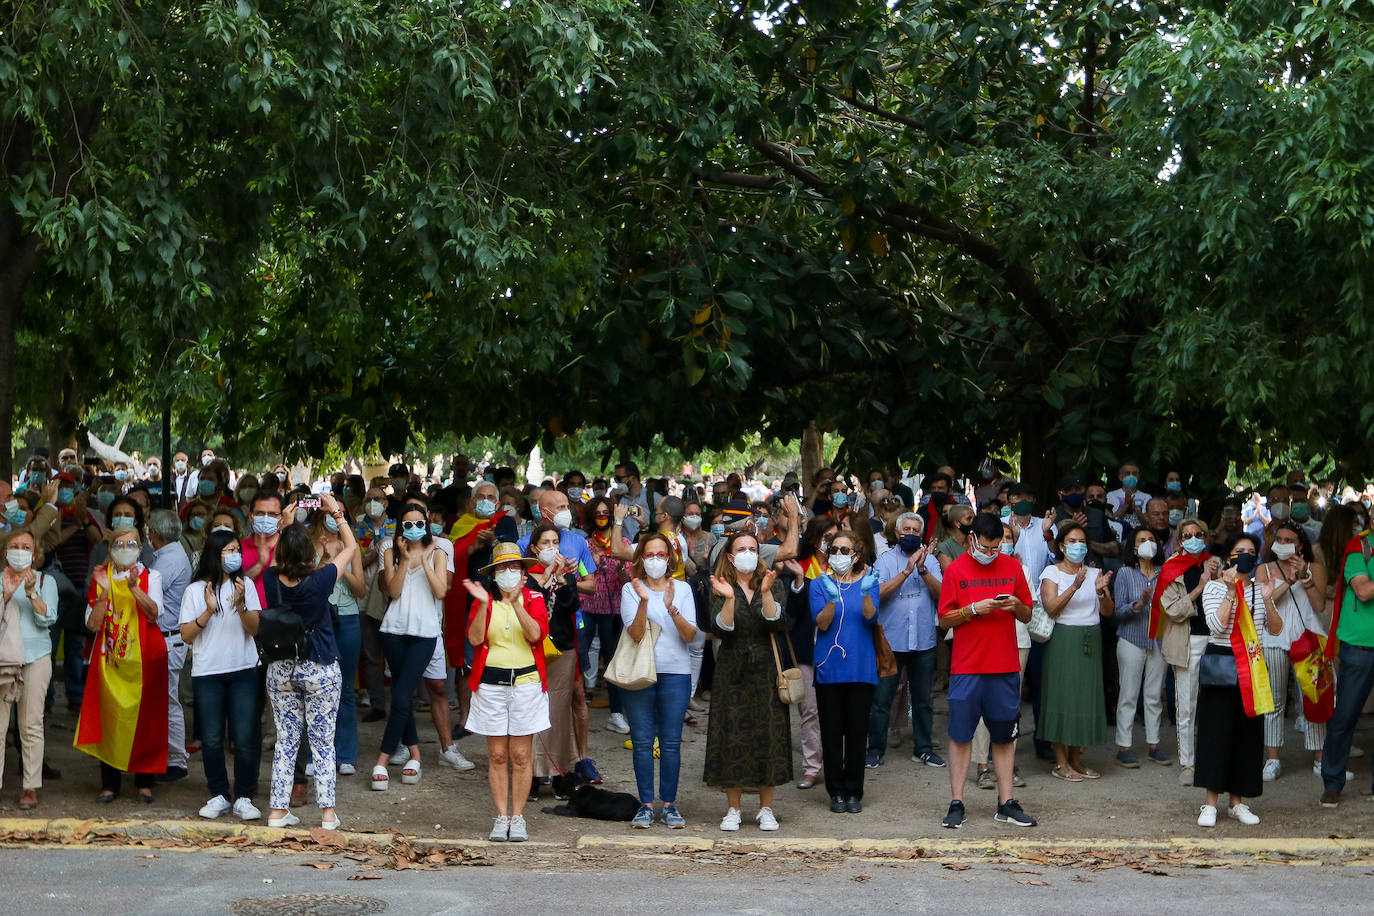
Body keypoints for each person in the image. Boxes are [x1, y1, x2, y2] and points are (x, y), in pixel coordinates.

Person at [936, 512, 1036, 829]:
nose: (993, 553)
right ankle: (957, 802)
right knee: (961, 735)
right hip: (967, 667)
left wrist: (1014, 606)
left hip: (1005, 666)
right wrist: (970, 610)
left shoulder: (1012, 567)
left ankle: (1005, 802)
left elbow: (1027, 613)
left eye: (997, 548)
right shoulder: (955, 571)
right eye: (987, 547)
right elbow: (944, 619)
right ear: (972, 540)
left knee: (1005, 737)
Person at [263, 492, 356, 830]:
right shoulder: (320, 580)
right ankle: (328, 813)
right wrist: (337, 514)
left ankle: (277, 810)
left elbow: (276, 557)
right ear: (309, 554)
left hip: (281, 667)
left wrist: (284, 528)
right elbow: (350, 549)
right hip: (320, 666)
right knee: (322, 739)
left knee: (286, 739)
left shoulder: (273, 580)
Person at [463, 543, 551, 842]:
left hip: (526, 684)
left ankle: (518, 816)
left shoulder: (534, 598)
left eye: (514, 567)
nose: (509, 572)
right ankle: (501, 817)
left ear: (524, 573)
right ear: (494, 573)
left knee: (521, 755)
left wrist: (516, 604)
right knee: (498, 755)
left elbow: (536, 635)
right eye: (502, 567)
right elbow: (475, 639)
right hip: (490, 686)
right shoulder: (484, 601)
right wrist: (486, 605)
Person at [703, 532, 790, 832]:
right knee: (731, 736)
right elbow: (720, 628)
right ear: (729, 556)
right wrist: (728, 598)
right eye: (741, 549)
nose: (748, 553)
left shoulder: (773, 581)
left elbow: (776, 621)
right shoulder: (718, 586)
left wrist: (765, 592)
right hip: (731, 668)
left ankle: (766, 809)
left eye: (752, 548)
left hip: (766, 667)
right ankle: (733, 809)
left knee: (768, 735)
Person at [1195, 534, 1283, 826]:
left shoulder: (1260, 589)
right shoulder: (1214, 589)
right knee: (1215, 733)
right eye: (1239, 551)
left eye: (1251, 551)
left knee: (1247, 736)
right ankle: (1210, 804)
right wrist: (1232, 593)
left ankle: (1237, 802)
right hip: (1222, 663)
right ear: (1228, 556)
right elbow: (1217, 626)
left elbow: (1275, 628)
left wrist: (1268, 600)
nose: (1245, 555)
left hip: (1252, 665)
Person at [77, 528, 167, 803]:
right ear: (110, 548)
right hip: (109, 662)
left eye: (131, 544)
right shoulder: (100, 578)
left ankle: (145, 781)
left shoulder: (152, 576)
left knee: (147, 719)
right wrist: (104, 593)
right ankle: (110, 783)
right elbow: (93, 624)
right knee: (110, 718)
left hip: (145, 659)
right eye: (119, 543)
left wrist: (134, 588)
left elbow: (154, 614)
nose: (125, 548)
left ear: (141, 549)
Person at [180, 530, 263, 821]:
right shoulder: (194, 591)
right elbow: (186, 634)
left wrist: (240, 604)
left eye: (236, 549)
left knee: (244, 737)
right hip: (208, 673)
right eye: (228, 550)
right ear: (215, 554)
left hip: (244, 670)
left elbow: (254, 628)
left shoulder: (246, 584)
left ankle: (244, 796)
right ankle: (218, 794)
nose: (234, 555)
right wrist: (208, 611)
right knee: (213, 739)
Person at [619, 532, 699, 828]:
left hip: (675, 672)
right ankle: (645, 804)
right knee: (641, 742)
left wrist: (671, 607)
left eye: (661, 555)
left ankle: (669, 804)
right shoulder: (631, 589)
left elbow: (690, 636)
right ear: (641, 558)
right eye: (649, 555)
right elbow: (637, 634)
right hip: (641, 673)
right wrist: (643, 602)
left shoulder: (683, 589)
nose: (655, 560)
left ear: (670, 558)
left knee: (670, 743)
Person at [372, 505, 449, 789]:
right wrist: (405, 560)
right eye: (407, 523)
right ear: (401, 526)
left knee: (404, 694)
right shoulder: (392, 552)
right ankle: (414, 754)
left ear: (426, 524)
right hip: (393, 630)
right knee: (401, 695)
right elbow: (393, 591)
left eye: (419, 523)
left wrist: (426, 562)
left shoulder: (438, 551)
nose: (413, 527)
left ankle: (382, 759)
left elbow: (441, 591)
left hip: (425, 632)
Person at [809, 530, 879, 814]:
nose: (838, 555)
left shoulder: (870, 581)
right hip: (830, 669)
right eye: (834, 550)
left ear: (856, 555)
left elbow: (871, 617)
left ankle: (854, 791)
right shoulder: (819, 584)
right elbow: (823, 624)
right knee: (831, 732)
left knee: (857, 732)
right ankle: (835, 790)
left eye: (844, 550)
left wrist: (864, 593)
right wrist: (830, 599)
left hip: (862, 668)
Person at [1038, 523, 1114, 780]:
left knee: (1084, 699)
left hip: (1090, 639)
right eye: (1072, 541)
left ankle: (1076, 759)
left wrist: (1101, 590)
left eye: (1082, 541)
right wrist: (1074, 586)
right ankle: (1061, 762)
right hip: (1063, 640)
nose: (1078, 546)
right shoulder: (1052, 572)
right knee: (1063, 697)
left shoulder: (1093, 573)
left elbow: (1107, 612)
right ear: (1061, 546)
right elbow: (1051, 608)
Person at [868, 512, 943, 768]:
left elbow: (942, 594)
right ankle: (875, 749)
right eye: (906, 529)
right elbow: (877, 595)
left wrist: (921, 569)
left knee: (923, 700)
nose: (910, 534)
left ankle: (923, 748)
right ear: (897, 533)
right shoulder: (884, 561)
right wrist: (905, 572)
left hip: (923, 641)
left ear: (921, 535)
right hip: (892, 641)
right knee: (881, 700)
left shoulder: (931, 561)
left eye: (915, 530)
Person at [1257, 522, 1332, 780]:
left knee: (1313, 697)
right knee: (1275, 702)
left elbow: (1320, 605)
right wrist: (1289, 581)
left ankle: (1320, 759)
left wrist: (1306, 577)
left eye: (1289, 540)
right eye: (1279, 538)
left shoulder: (1315, 568)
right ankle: (1273, 759)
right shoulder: (1264, 568)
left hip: (1308, 639)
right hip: (1274, 639)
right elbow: (1266, 603)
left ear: (1300, 545)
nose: (1283, 543)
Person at [1154, 518, 1218, 787]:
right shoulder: (1170, 569)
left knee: (1214, 704)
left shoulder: (1215, 563)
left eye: (1199, 534)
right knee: (1186, 706)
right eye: (1187, 535)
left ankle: (1212, 758)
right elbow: (1174, 611)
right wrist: (1201, 586)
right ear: (1179, 540)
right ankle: (1188, 763)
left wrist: (1215, 577)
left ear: (1206, 536)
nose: (1193, 539)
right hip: (1187, 641)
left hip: (1216, 641)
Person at [528, 523, 592, 790]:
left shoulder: (566, 575)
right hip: (532, 650)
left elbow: (572, 606)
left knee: (559, 712)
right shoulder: (525, 575)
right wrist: (545, 578)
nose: (551, 548)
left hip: (563, 649)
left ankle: (560, 773)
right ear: (534, 548)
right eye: (545, 543)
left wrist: (564, 578)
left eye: (555, 542)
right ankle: (532, 774)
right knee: (531, 711)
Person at [1319, 509, 1374, 807]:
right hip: (1359, 645)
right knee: (1346, 715)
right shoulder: (1359, 547)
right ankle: (1332, 781)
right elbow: (1363, 591)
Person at [0, 529, 59, 809]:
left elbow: (47, 620)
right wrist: (7, 596)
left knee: (31, 724)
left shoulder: (47, 581)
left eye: (26, 546)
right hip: (2, 662)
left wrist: (30, 591)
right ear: (5, 552)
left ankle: (30, 787)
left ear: (34, 554)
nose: (20, 550)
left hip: (36, 657)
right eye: (15, 545)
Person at [1113, 527, 1172, 767]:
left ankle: (1154, 745)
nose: (1148, 543)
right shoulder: (1125, 573)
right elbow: (1118, 611)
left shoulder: (1165, 573)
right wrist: (1139, 604)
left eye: (1151, 540)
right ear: (1134, 548)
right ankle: (1124, 746)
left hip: (1159, 639)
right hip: (1131, 639)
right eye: (1142, 540)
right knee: (1128, 694)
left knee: (1154, 695)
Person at [314, 503, 366, 776]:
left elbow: (360, 589)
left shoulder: (352, 545)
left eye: (340, 512)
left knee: (345, 690)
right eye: (331, 511)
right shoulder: (310, 541)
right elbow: (305, 584)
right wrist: (324, 559)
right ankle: (315, 755)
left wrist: (341, 564)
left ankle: (346, 754)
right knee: (315, 689)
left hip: (346, 619)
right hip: (318, 621)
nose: (335, 516)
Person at [146, 509, 193, 782]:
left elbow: (151, 598)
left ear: (153, 534)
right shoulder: (170, 554)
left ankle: (175, 760)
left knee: (168, 701)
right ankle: (173, 757)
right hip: (169, 638)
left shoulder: (168, 560)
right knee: (167, 699)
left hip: (168, 638)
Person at [584, 496, 633, 733]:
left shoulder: (622, 542)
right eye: (598, 513)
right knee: (580, 654)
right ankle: (580, 698)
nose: (602, 517)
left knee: (613, 659)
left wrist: (623, 568)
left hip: (613, 610)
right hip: (587, 606)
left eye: (606, 513)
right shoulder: (585, 544)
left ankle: (616, 713)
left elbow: (628, 581)